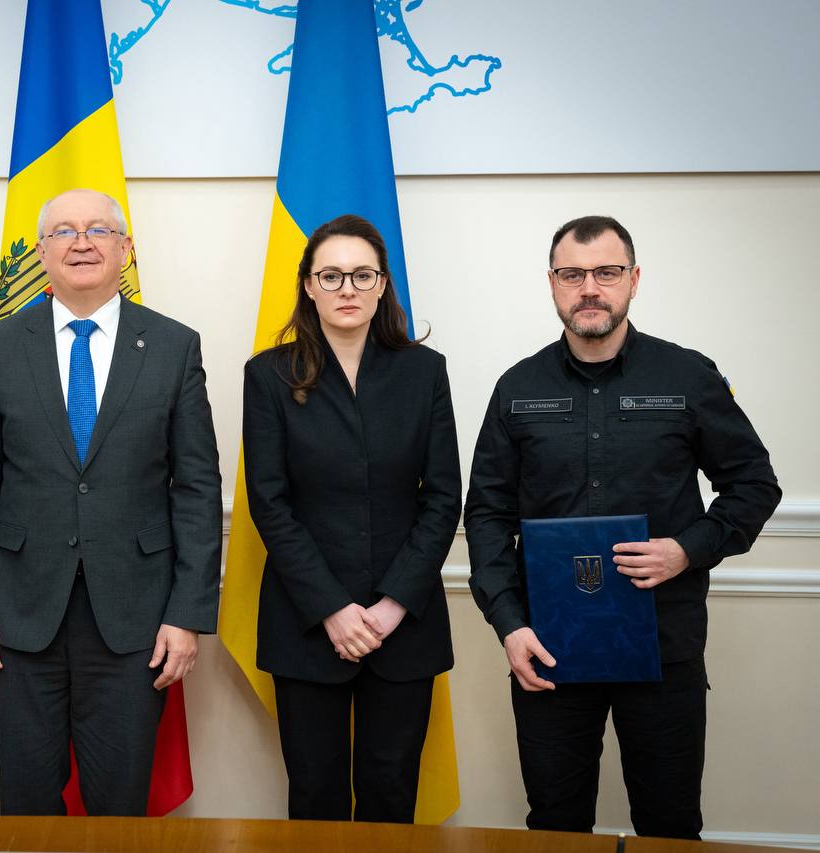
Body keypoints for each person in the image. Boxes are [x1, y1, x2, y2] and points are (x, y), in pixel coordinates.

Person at [464, 215, 781, 839]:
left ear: (634, 280)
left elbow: (755, 485)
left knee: (669, 825)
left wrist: (686, 550)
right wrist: (509, 625)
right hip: (548, 646)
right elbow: (487, 515)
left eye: (606, 273)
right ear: (552, 283)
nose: (589, 288)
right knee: (556, 825)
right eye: (572, 274)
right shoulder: (517, 388)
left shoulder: (688, 377)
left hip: (662, 644)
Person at [0, 188, 223, 816]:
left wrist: (187, 614)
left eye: (98, 230)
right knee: (28, 806)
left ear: (124, 248)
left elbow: (197, 488)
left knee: (120, 808)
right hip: (21, 616)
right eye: (64, 232)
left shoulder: (174, 346)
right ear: (41, 251)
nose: (81, 243)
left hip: (136, 618)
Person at [242, 214, 460, 822]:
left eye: (363, 275)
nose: (347, 288)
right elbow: (270, 504)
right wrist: (333, 609)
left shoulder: (424, 371)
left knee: (392, 794)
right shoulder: (268, 375)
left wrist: (392, 605)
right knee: (316, 796)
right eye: (331, 275)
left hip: (404, 624)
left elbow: (444, 497)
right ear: (308, 285)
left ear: (383, 285)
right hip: (307, 624)